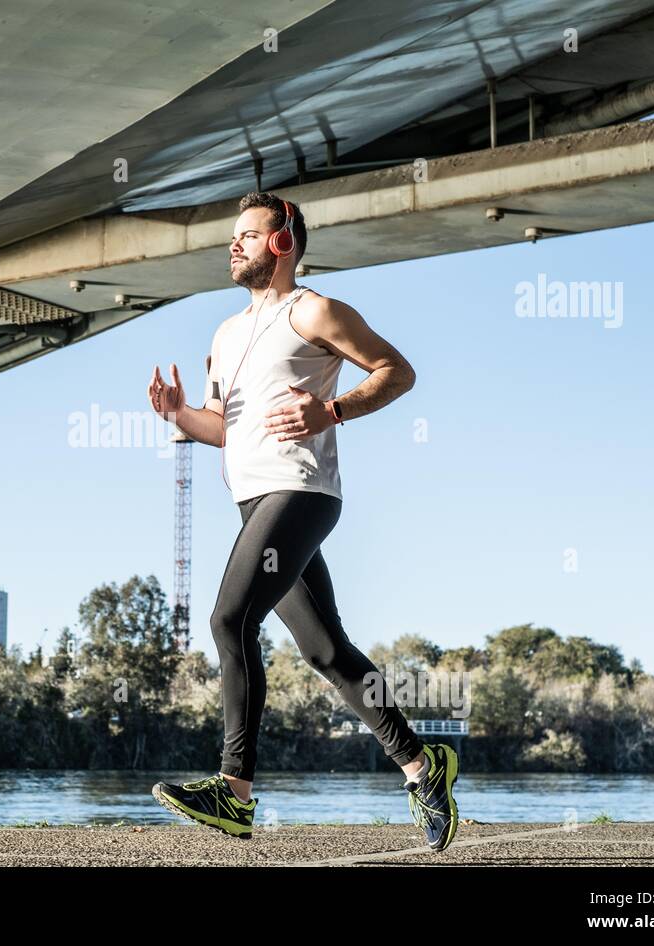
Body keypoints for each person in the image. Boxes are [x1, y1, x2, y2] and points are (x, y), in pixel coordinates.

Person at [146, 191, 458, 849]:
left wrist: (332, 412)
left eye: (248, 236)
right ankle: (422, 767)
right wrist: (177, 415)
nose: (234, 246)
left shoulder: (314, 311)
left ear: (283, 243)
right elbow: (221, 429)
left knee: (229, 619)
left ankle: (234, 793)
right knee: (324, 651)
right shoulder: (225, 334)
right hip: (255, 499)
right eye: (233, 237)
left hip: (302, 490)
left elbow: (397, 372)